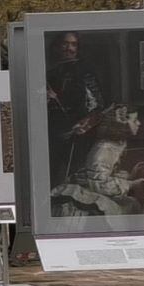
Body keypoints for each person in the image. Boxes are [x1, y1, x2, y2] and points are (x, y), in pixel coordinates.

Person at [45, 31, 105, 183]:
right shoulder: (51, 72)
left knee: (74, 174)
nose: (69, 48)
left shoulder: (84, 71)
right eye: (65, 44)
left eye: (73, 44)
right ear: (57, 46)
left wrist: (56, 99)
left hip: (78, 133)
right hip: (54, 131)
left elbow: (95, 104)